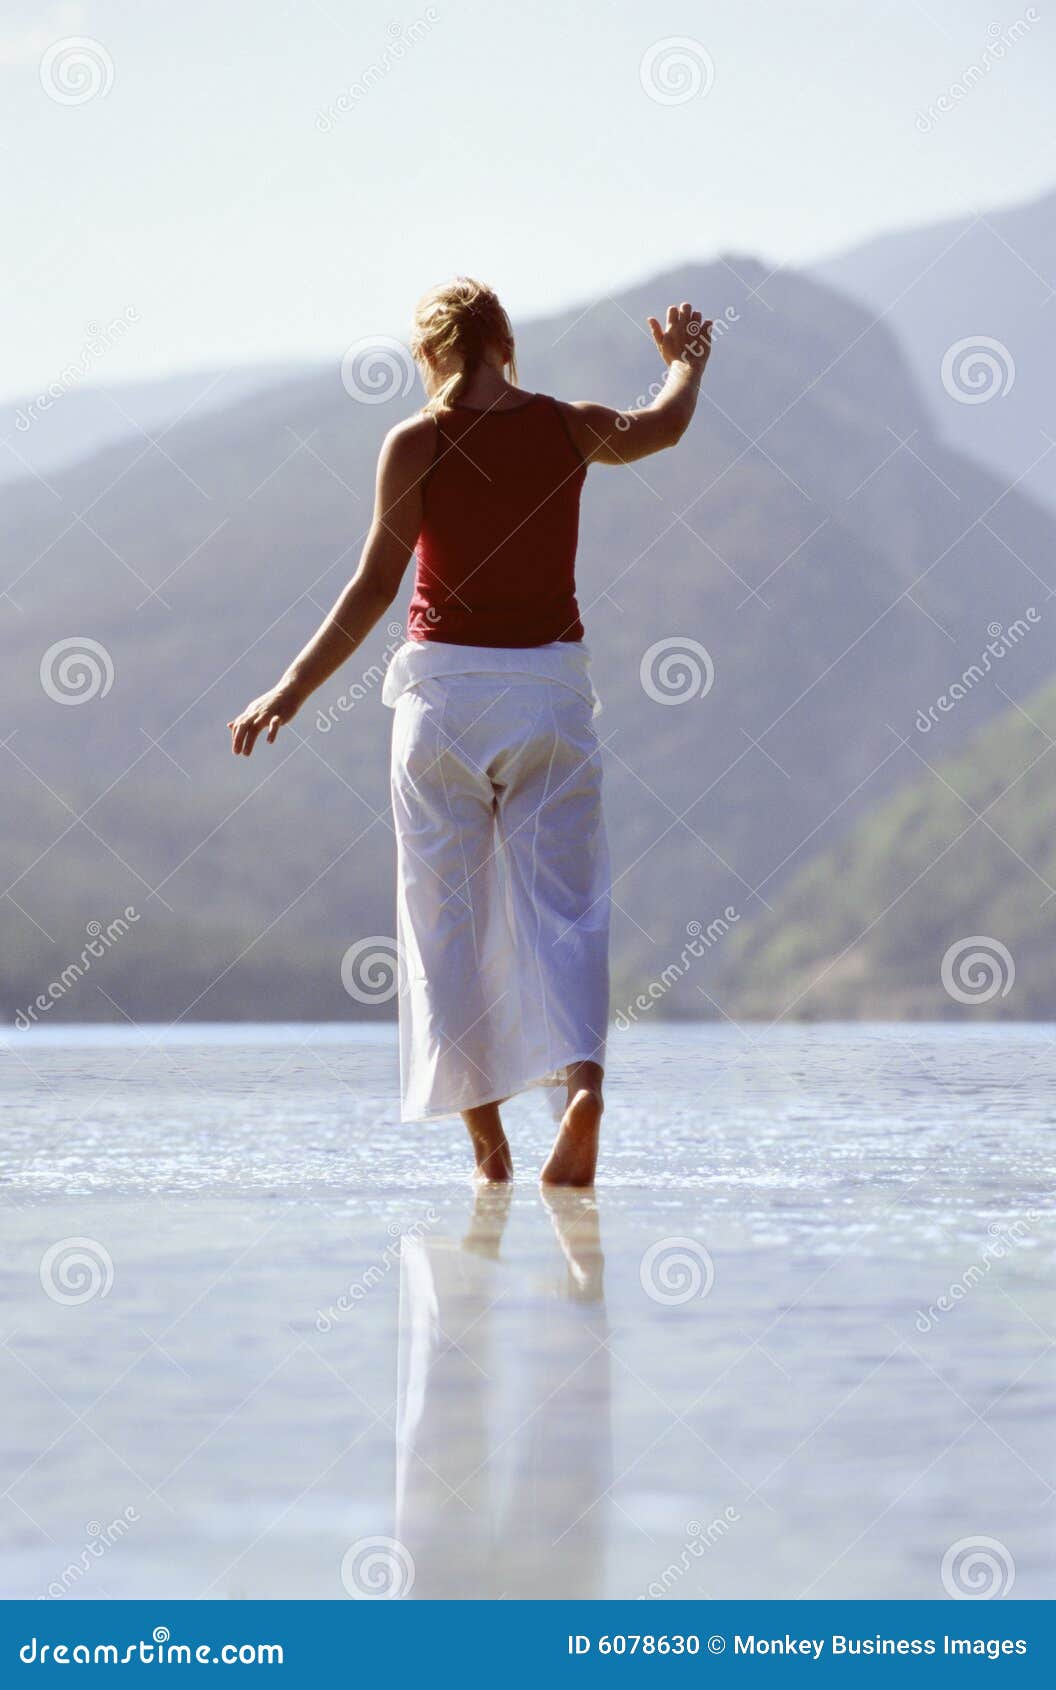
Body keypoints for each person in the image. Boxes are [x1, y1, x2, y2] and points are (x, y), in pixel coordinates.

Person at [228, 278, 711, 1185]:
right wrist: (685, 363)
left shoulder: (415, 443)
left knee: (443, 929)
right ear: (503, 344)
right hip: (548, 699)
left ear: (433, 352)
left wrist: (291, 689)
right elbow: (664, 427)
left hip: (442, 702)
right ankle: (582, 1090)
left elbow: (376, 586)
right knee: (566, 912)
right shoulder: (569, 425)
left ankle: (489, 1151)